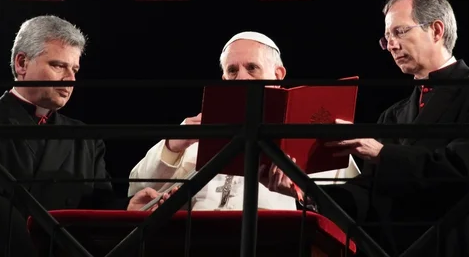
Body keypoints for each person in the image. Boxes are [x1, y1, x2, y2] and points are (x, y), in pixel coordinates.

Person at [314, 0, 469, 257]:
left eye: (399, 32)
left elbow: (468, 170)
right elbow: (370, 195)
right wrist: (305, 192)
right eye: (387, 38)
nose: (392, 46)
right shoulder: (394, 115)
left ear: (436, 30)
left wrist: (384, 153)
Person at [0, 15, 162, 257]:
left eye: (75, 69)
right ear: (22, 63)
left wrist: (128, 206)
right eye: (59, 66)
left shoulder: (85, 137)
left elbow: (97, 203)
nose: (70, 80)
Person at [128, 31, 359, 210]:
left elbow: (346, 207)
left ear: (278, 75)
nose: (242, 78)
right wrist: (173, 145)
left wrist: (301, 191)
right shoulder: (196, 136)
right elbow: (138, 191)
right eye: (232, 70)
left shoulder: (313, 136)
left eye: (252, 68)